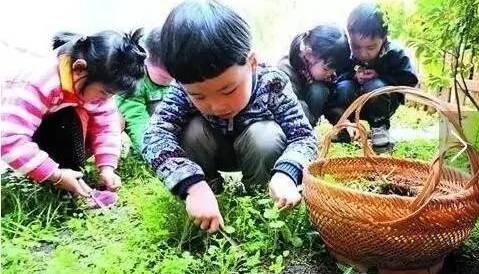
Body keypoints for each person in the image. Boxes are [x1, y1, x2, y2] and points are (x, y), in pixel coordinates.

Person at [142, 0, 317, 233]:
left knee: (265, 135)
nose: (216, 105)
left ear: (252, 63)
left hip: (258, 153)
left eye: (228, 90)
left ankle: (263, 198)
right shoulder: (181, 91)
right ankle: (208, 199)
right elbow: (154, 135)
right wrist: (192, 184)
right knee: (192, 130)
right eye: (198, 96)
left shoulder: (272, 83)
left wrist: (287, 173)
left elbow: (304, 137)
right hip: (211, 153)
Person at [1, 29, 146, 198]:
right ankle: (60, 179)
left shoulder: (86, 81)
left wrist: (107, 168)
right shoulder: (37, 84)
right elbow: (8, 139)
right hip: (10, 130)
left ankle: (70, 174)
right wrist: (56, 175)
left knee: (115, 120)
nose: (106, 100)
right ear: (79, 68)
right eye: (105, 93)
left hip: (43, 127)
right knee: (69, 120)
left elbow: (106, 125)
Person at [340, 2, 419, 147]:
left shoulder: (394, 54)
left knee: (376, 85)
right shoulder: (346, 53)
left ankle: (379, 128)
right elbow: (336, 75)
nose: (363, 53)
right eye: (356, 46)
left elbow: (409, 79)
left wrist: (381, 77)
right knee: (343, 87)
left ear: (384, 39)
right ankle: (344, 127)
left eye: (370, 47)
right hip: (354, 103)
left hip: (382, 103)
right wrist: (353, 76)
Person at [278, 24, 353, 131]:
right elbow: (293, 105)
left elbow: (331, 103)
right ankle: (304, 132)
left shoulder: (323, 73)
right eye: (326, 69)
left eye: (333, 71)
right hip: (290, 117)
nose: (330, 74)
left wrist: (342, 121)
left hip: (308, 110)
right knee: (317, 91)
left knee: (325, 88)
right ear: (309, 55)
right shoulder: (286, 69)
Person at [116, 26, 173, 153]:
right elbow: (138, 123)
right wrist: (155, 152)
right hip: (152, 131)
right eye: (164, 78)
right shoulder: (133, 81)